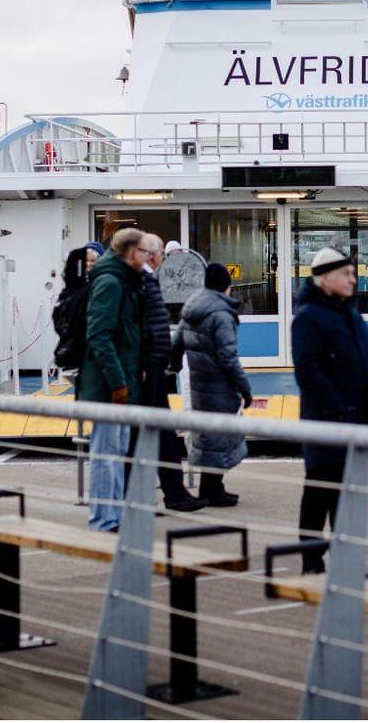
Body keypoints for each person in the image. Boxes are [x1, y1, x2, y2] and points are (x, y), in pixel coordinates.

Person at [291, 247, 368, 573]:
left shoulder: (349, 313)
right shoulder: (309, 317)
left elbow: (364, 367)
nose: (353, 279)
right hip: (326, 424)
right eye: (346, 274)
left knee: (349, 496)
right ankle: (312, 562)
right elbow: (308, 372)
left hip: (355, 420)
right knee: (320, 493)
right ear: (326, 277)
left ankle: (348, 563)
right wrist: (340, 410)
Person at [78, 228, 147, 532]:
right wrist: (119, 381)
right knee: (107, 453)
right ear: (131, 253)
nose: (147, 258)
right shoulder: (111, 283)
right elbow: (99, 335)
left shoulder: (122, 281)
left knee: (115, 451)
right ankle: (104, 519)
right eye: (144, 252)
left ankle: (113, 515)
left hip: (118, 380)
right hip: (109, 386)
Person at [137, 236, 202, 513]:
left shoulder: (147, 281)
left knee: (159, 433)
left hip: (152, 367)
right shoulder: (142, 283)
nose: (165, 258)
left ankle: (172, 491)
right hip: (147, 370)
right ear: (151, 255)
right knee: (153, 434)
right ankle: (170, 493)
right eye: (162, 252)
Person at [177, 262, 249, 507]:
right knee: (219, 437)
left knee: (209, 437)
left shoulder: (192, 307)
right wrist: (244, 388)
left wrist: (172, 367)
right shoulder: (221, 314)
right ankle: (212, 490)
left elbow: (177, 343)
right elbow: (228, 358)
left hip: (198, 383)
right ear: (226, 287)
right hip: (219, 386)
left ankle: (213, 487)